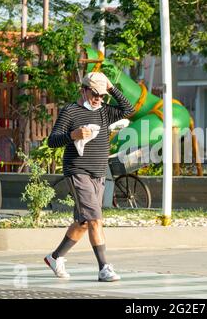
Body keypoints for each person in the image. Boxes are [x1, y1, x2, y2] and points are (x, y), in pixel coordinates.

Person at [45, 72, 134, 282]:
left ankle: (55, 257)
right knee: (95, 219)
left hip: (98, 173)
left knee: (84, 222)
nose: (98, 99)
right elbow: (53, 140)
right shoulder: (71, 111)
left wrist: (111, 87)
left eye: (102, 95)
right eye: (95, 93)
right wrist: (72, 135)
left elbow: (129, 110)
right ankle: (104, 268)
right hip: (77, 170)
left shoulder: (104, 111)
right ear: (83, 89)